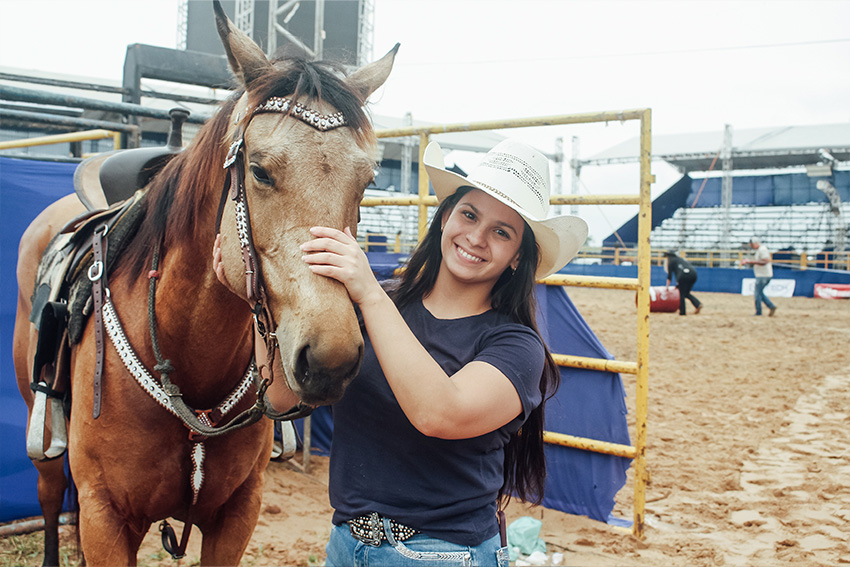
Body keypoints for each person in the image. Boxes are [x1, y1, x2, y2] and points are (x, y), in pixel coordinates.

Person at [217, 139, 587, 566]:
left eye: (501, 232)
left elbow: (439, 414)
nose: (476, 237)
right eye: (469, 215)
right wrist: (254, 301)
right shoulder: (377, 302)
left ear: (518, 257)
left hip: (444, 555)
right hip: (346, 545)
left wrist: (370, 295)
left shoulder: (517, 347)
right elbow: (281, 397)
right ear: (446, 217)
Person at [742, 236, 777, 317]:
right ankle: (770, 306)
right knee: (759, 293)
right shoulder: (760, 250)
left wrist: (750, 261)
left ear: (755, 243)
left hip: (763, 275)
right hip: (762, 275)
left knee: (757, 293)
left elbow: (766, 261)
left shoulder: (762, 250)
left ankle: (760, 311)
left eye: (751, 244)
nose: (751, 246)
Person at [663, 251, 702, 315]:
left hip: (683, 276)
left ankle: (682, 312)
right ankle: (697, 304)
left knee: (681, 294)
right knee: (686, 293)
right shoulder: (680, 259)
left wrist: (667, 287)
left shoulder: (671, 262)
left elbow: (669, 276)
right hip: (693, 274)